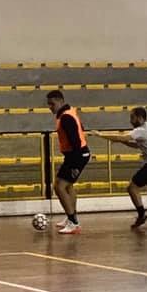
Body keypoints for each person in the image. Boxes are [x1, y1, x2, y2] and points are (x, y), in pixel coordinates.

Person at [90, 107, 147, 228]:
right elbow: (138, 145)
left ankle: (142, 215)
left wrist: (100, 134)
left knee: (132, 188)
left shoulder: (140, 130)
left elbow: (122, 136)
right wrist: (123, 142)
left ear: (140, 118)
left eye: (132, 117)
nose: (130, 120)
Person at [47, 90, 90, 235]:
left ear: (60, 101)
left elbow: (76, 140)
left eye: (52, 104)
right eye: (48, 104)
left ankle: (73, 222)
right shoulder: (68, 113)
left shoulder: (66, 117)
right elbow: (81, 128)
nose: (50, 107)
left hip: (76, 155)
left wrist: (74, 164)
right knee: (68, 186)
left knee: (59, 187)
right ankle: (71, 216)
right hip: (76, 155)